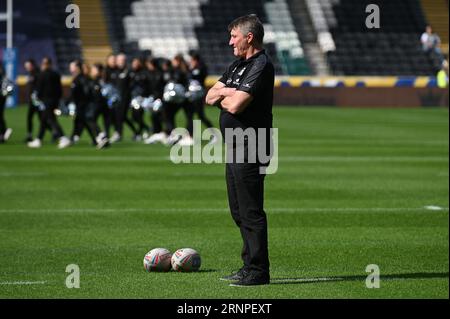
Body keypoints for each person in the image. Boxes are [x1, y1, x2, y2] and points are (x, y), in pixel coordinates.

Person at [205, 14, 274, 286]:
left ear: (249, 37)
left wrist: (227, 94)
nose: (229, 41)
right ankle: (249, 266)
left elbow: (235, 106)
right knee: (237, 210)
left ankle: (259, 271)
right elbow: (209, 95)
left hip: (253, 145)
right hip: (234, 146)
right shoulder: (237, 66)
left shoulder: (261, 65)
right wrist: (229, 93)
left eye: (234, 36)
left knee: (251, 210)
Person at [28, 57, 71, 149]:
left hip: (46, 101)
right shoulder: (56, 74)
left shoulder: (42, 75)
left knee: (51, 119)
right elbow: (60, 89)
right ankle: (39, 139)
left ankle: (63, 137)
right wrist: (58, 100)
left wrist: (38, 99)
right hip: (54, 100)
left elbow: (39, 89)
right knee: (44, 120)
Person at [188, 51, 216, 143]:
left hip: (198, 94)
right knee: (190, 114)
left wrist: (193, 69)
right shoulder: (191, 68)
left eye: (192, 60)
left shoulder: (201, 68)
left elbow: (200, 77)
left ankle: (214, 134)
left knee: (200, 115)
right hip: (191, 95)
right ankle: (190, 135)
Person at [24, 59, 41, 142]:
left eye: (28, 65)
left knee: (42, 118)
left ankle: (55, 133)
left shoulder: (37, 74)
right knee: (31, 117)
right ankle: (29, 135)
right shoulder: (31, 74)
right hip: (33, 100)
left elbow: (37, 87)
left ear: (32, 65)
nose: (26, 67)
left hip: (36, 100)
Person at [0, 64, 13, 144]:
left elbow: (10, 88)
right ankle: (4, 132)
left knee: (0, 115)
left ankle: (3, 132)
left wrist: (6, 92)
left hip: (1, 98)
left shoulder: (5, 79)